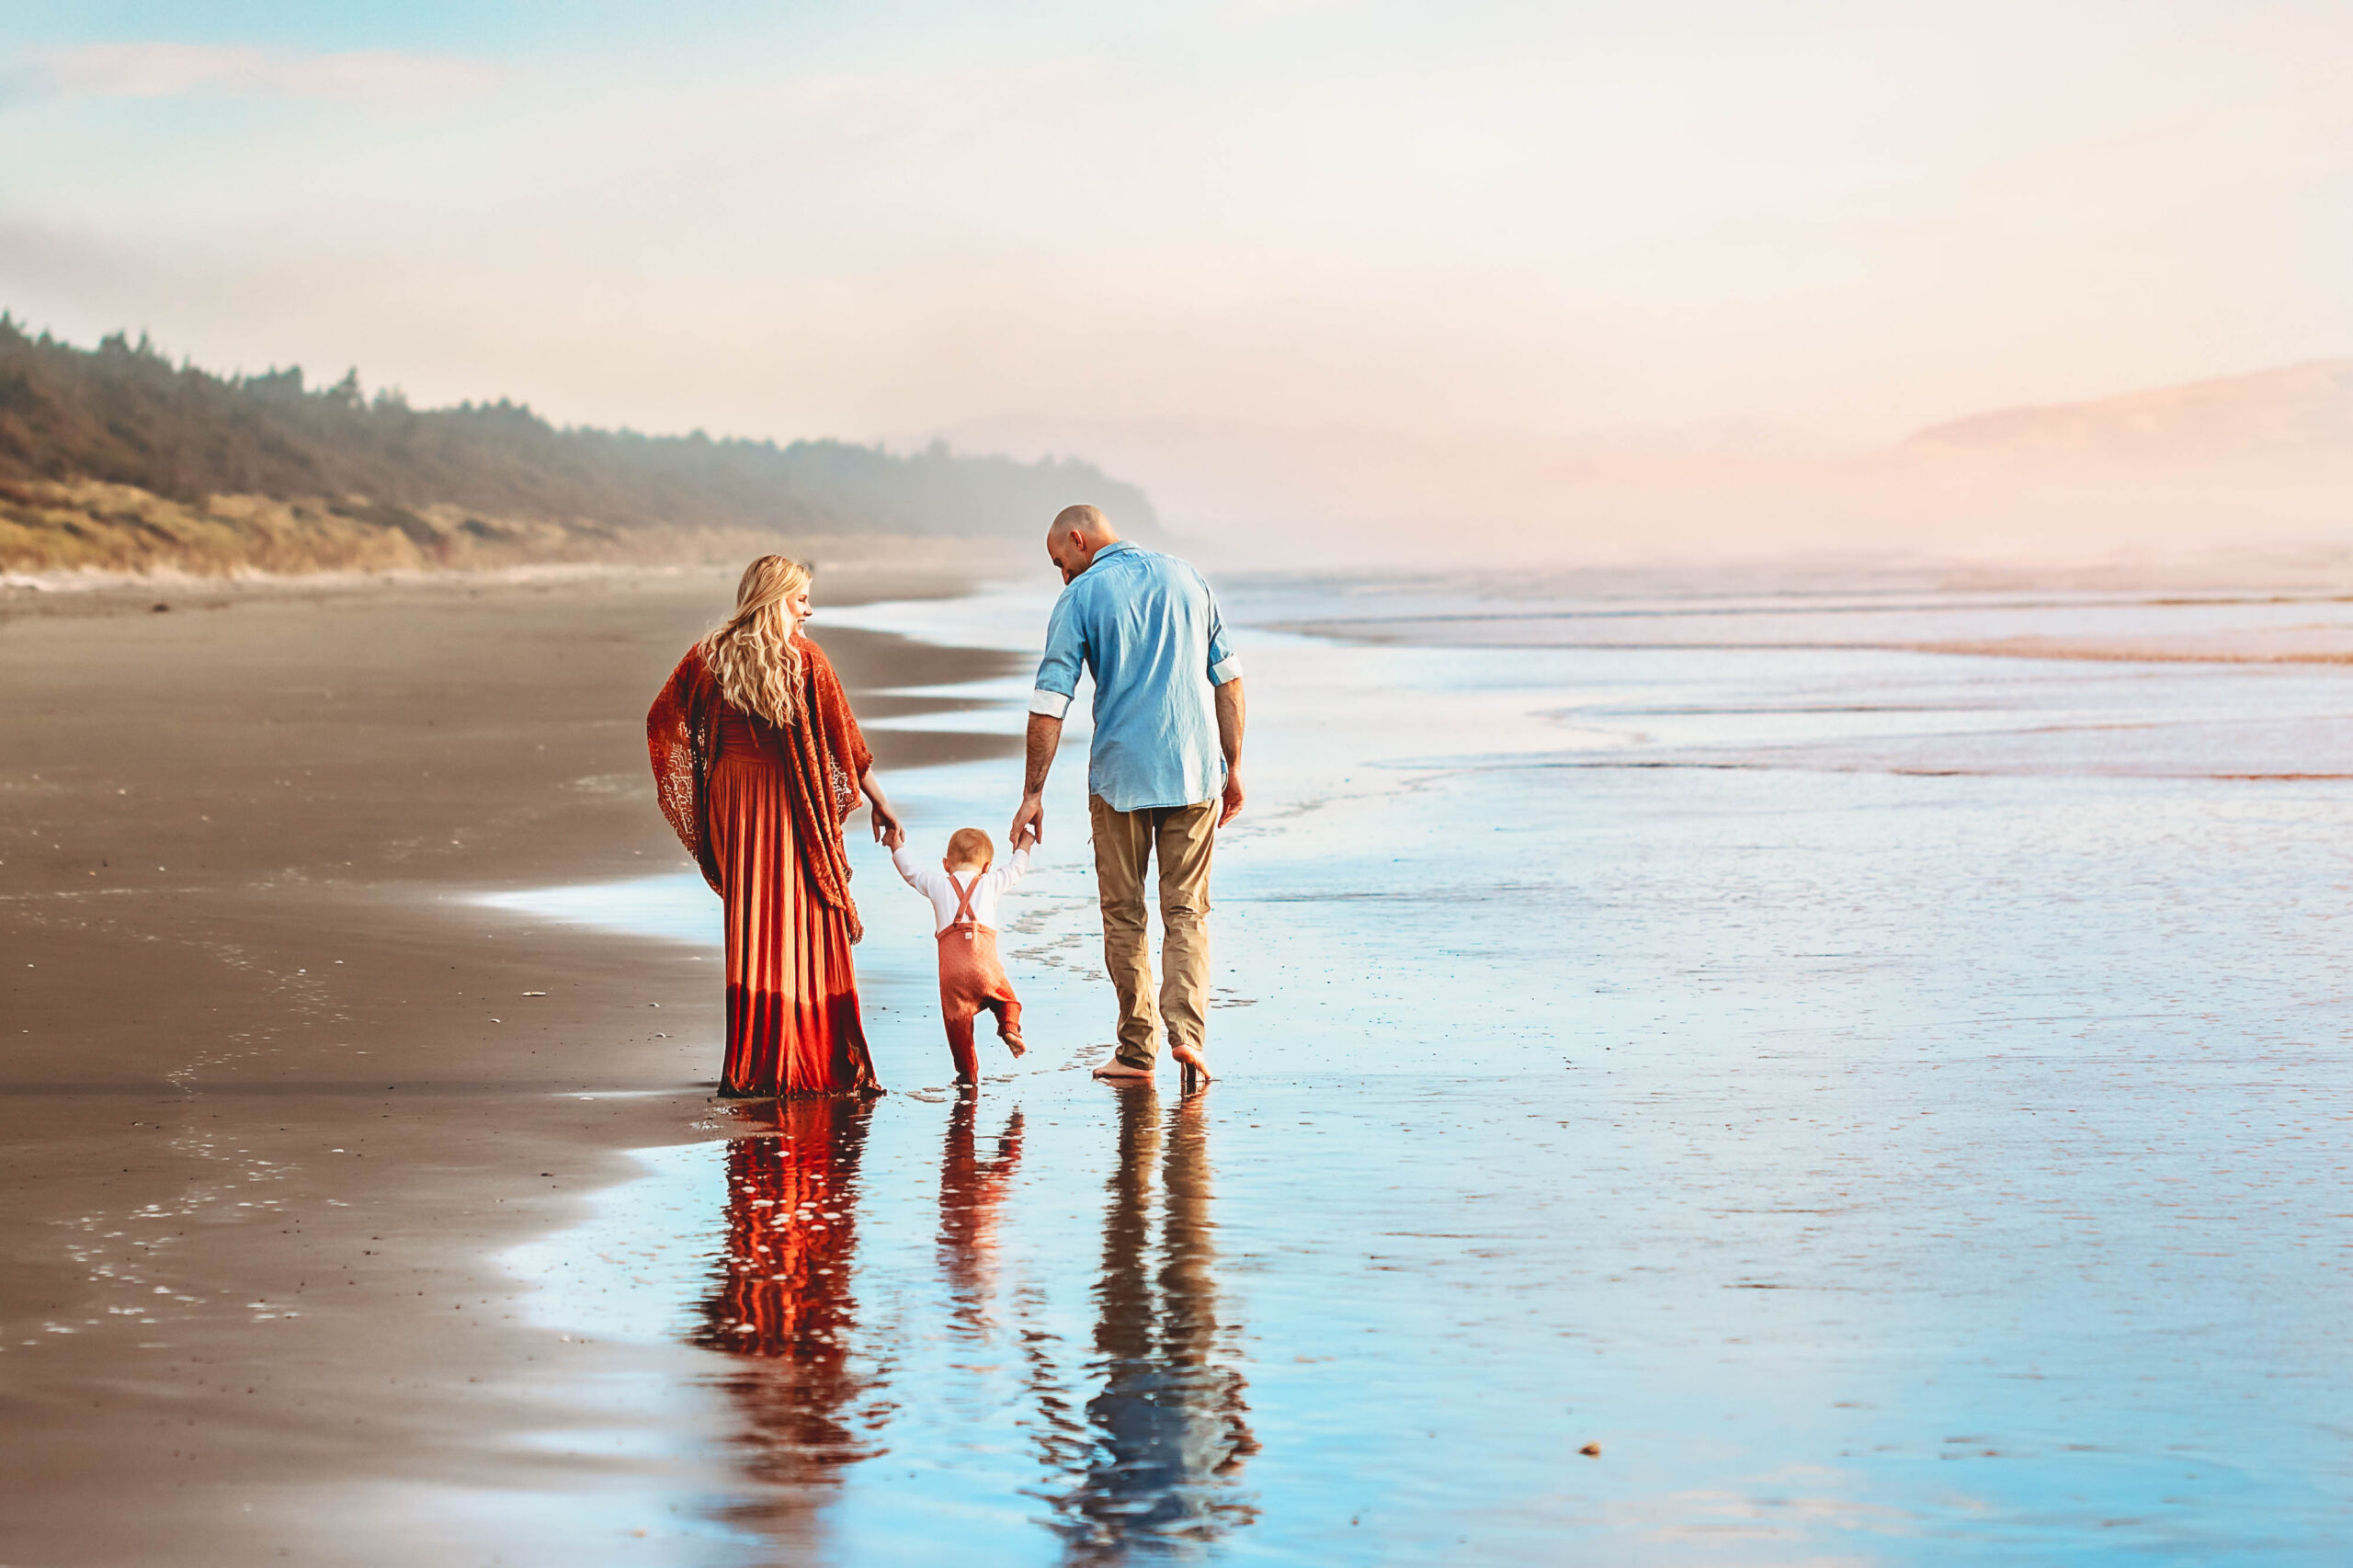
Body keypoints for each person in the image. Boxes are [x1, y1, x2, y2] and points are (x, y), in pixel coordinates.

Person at [647, 556, 902, 1097]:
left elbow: (662, 719)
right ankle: (807, 1052)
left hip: (730, 798)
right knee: (805, 914)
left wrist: (702, 768)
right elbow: (845, 741)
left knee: (753, 919)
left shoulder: (708, 655)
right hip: (785, 798)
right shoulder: (806, 661)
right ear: (772, 598)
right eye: (800, 598)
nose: (809, 608)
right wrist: (882, 802)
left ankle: (755, 1059)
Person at [1009, 505, 1245, 1087]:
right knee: (1187, 911)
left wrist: (1032, 794)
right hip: (1194, 773)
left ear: (1076, 538)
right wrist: (1233, 765)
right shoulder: (1188, 578)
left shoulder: (1081, 596)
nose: (1062, 575)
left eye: (1059, 562)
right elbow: (1229, 677)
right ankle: (1188, 1038)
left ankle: (1137, 1052)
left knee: (1124, 915)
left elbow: (1050, 700)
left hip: (1120, 780)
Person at [890, 824, 1033, 1086]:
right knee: (1006, 999)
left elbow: (911, 873)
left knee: (958, 1023)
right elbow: (1016, 870)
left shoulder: (936, 884)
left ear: (946, 864)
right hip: (985, 968)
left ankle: (967, 1073)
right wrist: (1025, 844)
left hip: (952, 974)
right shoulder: (991, 881)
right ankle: (1009, 1028)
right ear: (987, 866)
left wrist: (895, 845)